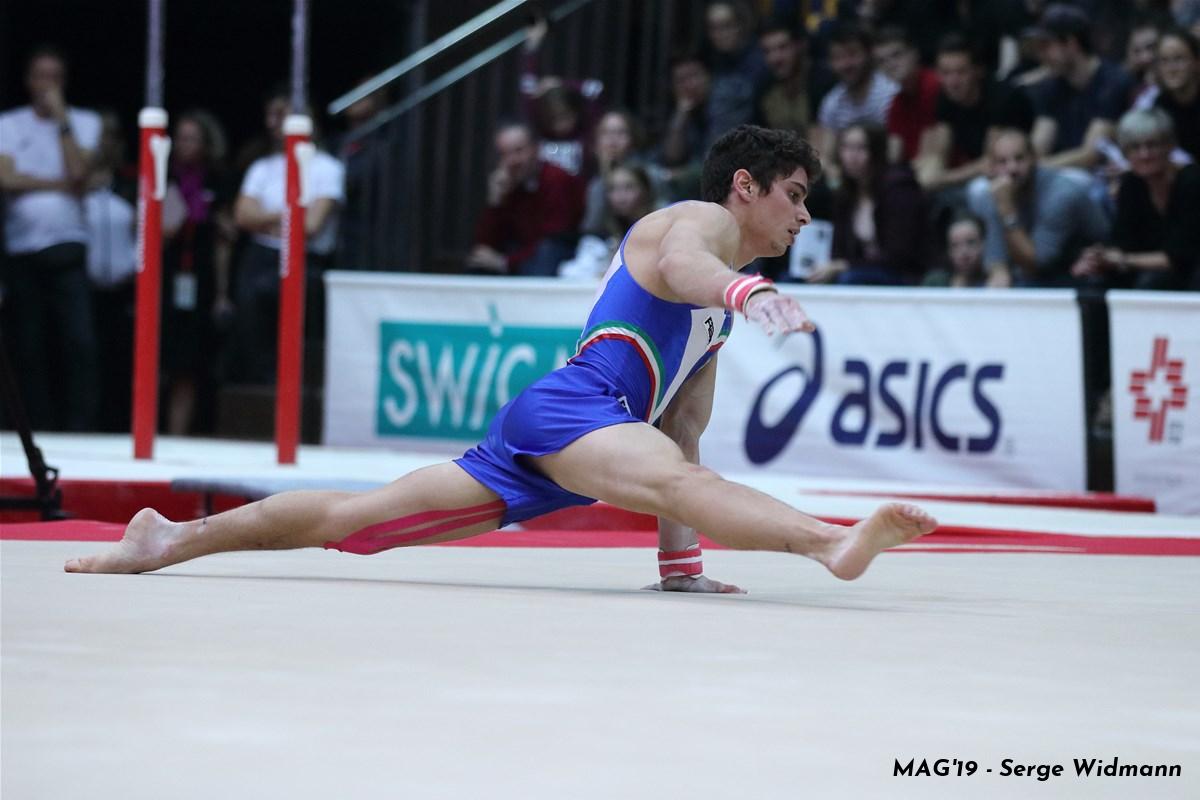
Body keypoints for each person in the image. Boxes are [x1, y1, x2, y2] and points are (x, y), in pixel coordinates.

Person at [64, 125, 937, 590]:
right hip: (576, 410)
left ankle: (169, 538)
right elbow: (682, 268)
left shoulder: (715, 321)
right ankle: (828, 544)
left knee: (355, 521)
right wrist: (749, 292)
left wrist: (680, 569)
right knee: (676, 478)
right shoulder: (694, 223)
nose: (805, 216)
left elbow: (682, 434)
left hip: (569, 437)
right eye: (795, 195)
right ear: (744, 187)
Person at [0, 45, 100, 432]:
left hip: (68, 245)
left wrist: (62, 120)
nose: (47, 85)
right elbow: (6, 179)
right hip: (22, 248)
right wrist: (59, 185)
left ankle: (81, 427)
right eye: (41, 76)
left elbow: (78, 173)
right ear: (28, 81)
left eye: (55, 77)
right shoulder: (9, 124)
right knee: (29, 344)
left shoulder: (83, 122)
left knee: (79, 341)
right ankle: (36, 425)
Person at [232, 88, 345, 384]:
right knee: (250, 318)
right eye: (269, 115)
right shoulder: (262, 167)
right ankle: (259, 387)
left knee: (292, 325)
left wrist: (266, 217)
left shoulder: (327, 168)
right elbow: (242, 216)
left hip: (306, 260)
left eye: (280, 115)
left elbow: (310, 225)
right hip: (261, 257)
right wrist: (290, 212)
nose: (271, 123)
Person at [161, 110, 236, 434]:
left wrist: (221, 292)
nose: (184, 144)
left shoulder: (217, 180)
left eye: (192, 138)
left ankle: (181, 433)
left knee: (191, 363)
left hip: (201, 280)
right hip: (165, 277)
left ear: (206, 143)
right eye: (180, 138)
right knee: (163, 358)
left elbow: (225, 240)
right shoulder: (162, 176)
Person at [1071, 108, 1200, 290]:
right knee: (1091, 281)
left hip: (1190, 273)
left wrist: (1122, 260)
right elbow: (1123, 241)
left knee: (1152, 282)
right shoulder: (1131, 183)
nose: (1144, 154)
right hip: (1149, 269)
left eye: (1152, 145)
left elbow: (1181, 256)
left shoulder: (1192, 181)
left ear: (1170, 146)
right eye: (1135, 147)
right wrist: (1098, 258)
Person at [967, 127, 1109, 287]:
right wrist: (999, 273)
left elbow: (1037, 264)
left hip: (1088, 270)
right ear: (991, 167)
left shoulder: (1061, 194)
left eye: (1019, 158)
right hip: (1038, 272)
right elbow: (997, 260)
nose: (1012, 168)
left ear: (1034, 158)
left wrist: (1007, 209)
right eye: (1002, 162)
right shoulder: (999, 191)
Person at [809, 122, 928, 285]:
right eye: (846, 147)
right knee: (795, 277)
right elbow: (839, 249)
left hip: (901, 274)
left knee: (849, 279)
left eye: (861, 148)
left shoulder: (899, 189)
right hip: (857, 270)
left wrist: (844, 265)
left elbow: (899, 254)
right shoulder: (846, 195)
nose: (852, 155)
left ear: (876, 151)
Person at [916, 34, 1036, 193]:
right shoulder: (945, 98)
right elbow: (938, 153)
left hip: (1020, 177)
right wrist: (924, 176)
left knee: (978, 190)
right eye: (945, 73)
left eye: (961, 72)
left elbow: (991, 161)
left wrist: (939, 179)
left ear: (978, 70)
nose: (952, 81)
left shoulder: (1002, 98)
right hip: (976, 176)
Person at [468, 121, 586, 276]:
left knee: (547, 252)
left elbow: (555, 238)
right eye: (504, 154)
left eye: (519, 151)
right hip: (521, 258)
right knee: (478, 264)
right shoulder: (507, 183)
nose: (512, 161)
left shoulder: (557, 179)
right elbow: (484, 246)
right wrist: (495, 202)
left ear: (536, 148)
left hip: (559, 256)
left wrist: (506, 262)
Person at [1027, 3, 1135, 170]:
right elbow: (1038, 147)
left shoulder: (1112, 82)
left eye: (1046, 46)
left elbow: (1090, 155)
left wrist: (1035, 169)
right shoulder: (1051, 86)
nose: (1041, 55)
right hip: (1061, 172)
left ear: (1071, 44)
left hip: (1106, 174)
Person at [810, 22, 898, 166]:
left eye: (852, 54)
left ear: (869, 54)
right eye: (838, 57)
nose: (846, 64)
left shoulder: (890, 93)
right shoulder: (832, 102)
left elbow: (895, 153)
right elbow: (825, 157)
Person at [756, 18, 835, 136]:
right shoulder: (764, 88)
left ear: (801, 45)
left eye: (783, 47)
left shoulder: (824, 81)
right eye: (767, 51)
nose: (775, 58)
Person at [874, 26, 940, 163]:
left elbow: (930, 157)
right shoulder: (896, 104)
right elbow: (893, 156)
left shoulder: (936, 86)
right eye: (882, 61)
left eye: (896, 55)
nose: (890, 64)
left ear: (915, 53)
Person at [1149, 27, 1200, 160]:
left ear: (1197, 62)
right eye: (1164, 61)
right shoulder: (1159, 105)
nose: (1171, 69)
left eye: (1179, 59)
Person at [922, 212, 1011, 288]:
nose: (964, 252)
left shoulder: (1001, 279)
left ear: (983, 244)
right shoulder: (935, 283)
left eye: (971, 242)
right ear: (948, 251)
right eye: (955, 245)